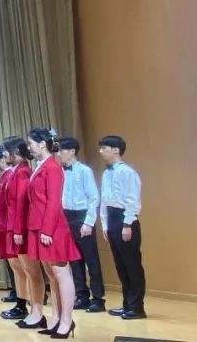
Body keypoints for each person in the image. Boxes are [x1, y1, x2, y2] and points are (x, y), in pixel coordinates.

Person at [27, 128, 81, 338]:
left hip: (53, 228)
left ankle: (67, 320)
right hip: (40, 226)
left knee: (61, 273)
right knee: (52, 274)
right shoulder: (41, 166)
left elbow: (54, 201)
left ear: (42, 144)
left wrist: (47, 230)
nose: (29, 147)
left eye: (31, 143)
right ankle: (57, 318)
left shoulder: (53, 167)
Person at [56, 136, 105, 313]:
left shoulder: (84, 171)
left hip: (82, 216)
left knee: (91, 260)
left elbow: (93, 198)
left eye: (62, 150)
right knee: (74, 260)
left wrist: (88, 223)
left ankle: (98, 298)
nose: (59, 154)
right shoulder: (60, 172)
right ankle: (81, 295)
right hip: (66, 217)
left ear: (72, 151)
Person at [98, 135, 145, 320]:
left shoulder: (128, 172)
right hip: (112, 219)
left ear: (116, 150)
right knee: (121, 265)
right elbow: (104, 201)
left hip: (125, 219)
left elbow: (133, 200)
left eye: (104, 148)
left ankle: (137, 307)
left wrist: (127, 224)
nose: (100, 151)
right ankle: (127, 303)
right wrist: (105, 224)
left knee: (132, 265)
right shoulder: (106, 173)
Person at [2, 135, 40, 327]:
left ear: (15, 152)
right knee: (25, 270)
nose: (4, 154)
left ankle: (36, 311)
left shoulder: (23, 172)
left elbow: (21, 204)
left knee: (31, 271)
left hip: (22, 228)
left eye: (6, 151)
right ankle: (31, 309)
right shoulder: (17, 171)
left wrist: (18, 230)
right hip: (15, 226)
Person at [0, 145, 20, 305]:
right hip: (0, 225)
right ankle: (16, 290)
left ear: (2, 159)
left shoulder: (10, 176)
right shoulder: (1, 177)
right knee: (10, 262)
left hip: (8, 225)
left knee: (16, 263)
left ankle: (22, 294)